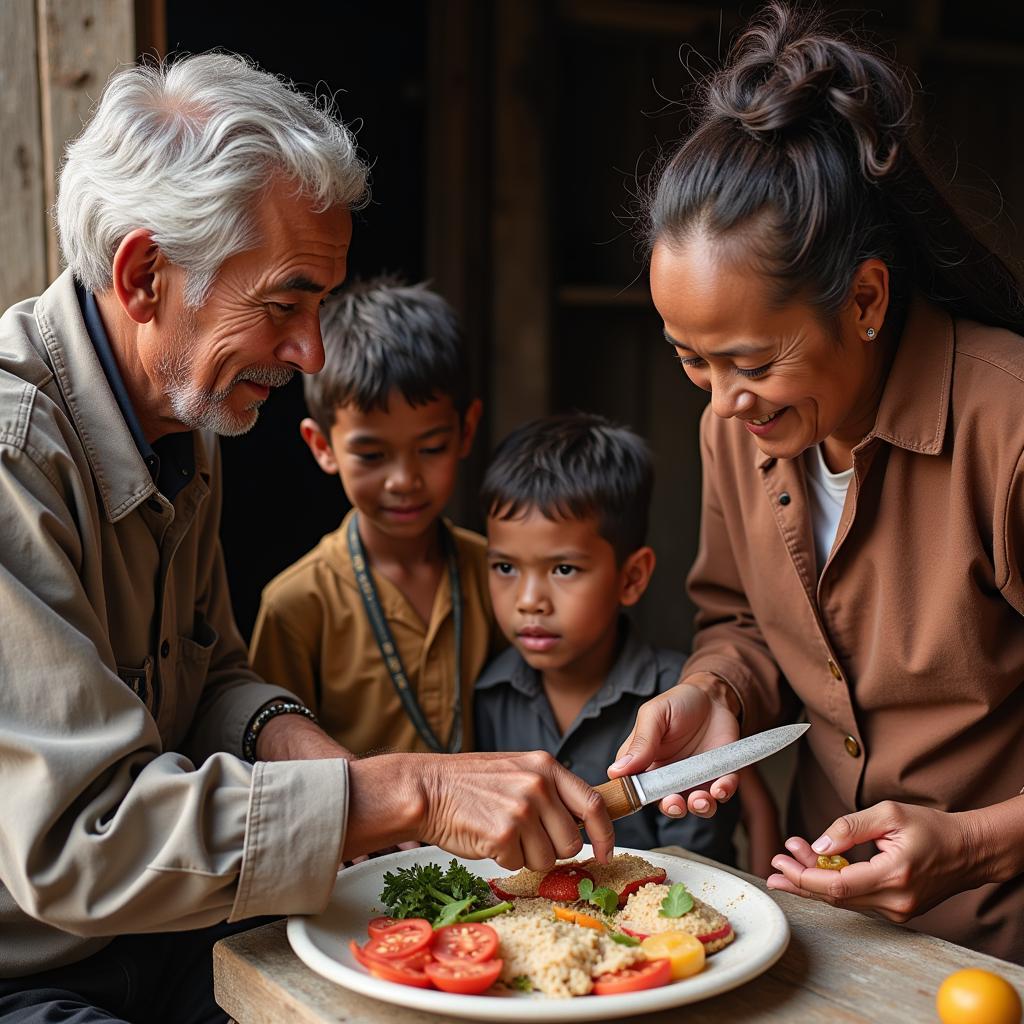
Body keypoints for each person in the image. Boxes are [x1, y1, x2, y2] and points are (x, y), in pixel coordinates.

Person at [0, 55, 613, 1022]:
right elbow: (81, 838)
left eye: (319, 306)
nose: (311, 352)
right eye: (285, 304)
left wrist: (317, 763)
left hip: (166, 933)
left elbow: (209, 685)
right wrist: (402, 794)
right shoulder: (12, 460)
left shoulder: (182, 418)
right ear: (145, 273)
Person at [609, 1, 1024, 963]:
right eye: (690, 359)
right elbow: (745, 622)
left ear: (867, 298)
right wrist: (718, 692)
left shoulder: (1005, 433)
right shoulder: (740, 424)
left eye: (751, 360)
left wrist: (971, 844)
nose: (721, 403)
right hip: (823, 935)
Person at [474, 413, 783, 864]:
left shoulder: (679, 705)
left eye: (563, 569)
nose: (528, 601)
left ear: (632, 577)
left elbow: (700, 868)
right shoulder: (487, 696)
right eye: (505, 567)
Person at [250, 278, 496, 757]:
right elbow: (272, 760)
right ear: (322, 447)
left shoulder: (496, 572)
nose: (403, 479)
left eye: (431, 448)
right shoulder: (298, 605)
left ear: (466, 431)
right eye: (371, 454)